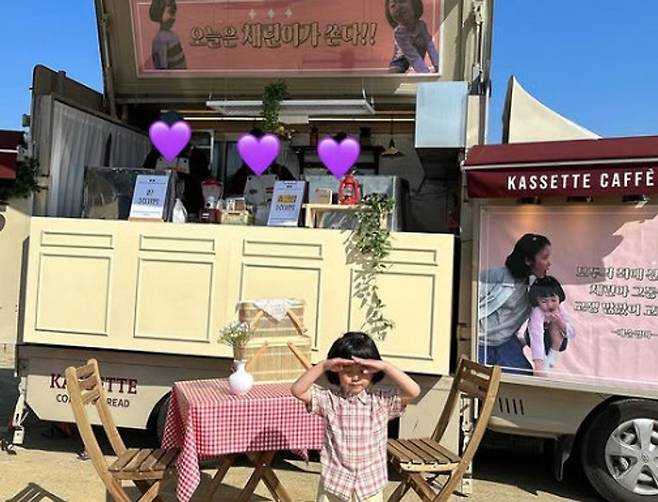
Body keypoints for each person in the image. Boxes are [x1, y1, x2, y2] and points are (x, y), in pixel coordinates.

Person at [291, 332, 420, 502]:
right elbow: (297, 390)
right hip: (335, 483)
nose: (356, 377)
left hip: (369, 485)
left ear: (373, 372)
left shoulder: (381, 401)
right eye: (348, 371)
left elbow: (414, 391)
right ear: (336, 372)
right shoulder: (329, 400)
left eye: (363, 371)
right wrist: (323, 366)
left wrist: (385, 366)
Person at [478, 233, 552, 373]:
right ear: (528, 260)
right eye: (544, 258)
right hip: (479, 342)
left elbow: (535, 327)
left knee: (523, 379)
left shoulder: (535, 287)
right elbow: (467, 302)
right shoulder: (494, 276)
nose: (549, 263)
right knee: (478, 380)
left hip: (506, 342)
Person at [524, 276, 575, 375]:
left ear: (559, 298)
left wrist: (560, 321)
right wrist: (538, 364)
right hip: (536, 339)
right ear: (537, 301)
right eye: (544, 301)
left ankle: (553, 354)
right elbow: (536, 336)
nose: (550, 305)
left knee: (556, 323)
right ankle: (544, 361)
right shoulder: (537, 312)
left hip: (557, 343)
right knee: (537, 336)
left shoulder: (560, 308)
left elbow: (571, 333)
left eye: (553, 300)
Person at [385, 0, 439, 74]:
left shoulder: (421, 26)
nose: (398, 7)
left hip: (418, 56)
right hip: (401, 60)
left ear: (415, 4)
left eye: (402, 1)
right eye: (393, 5)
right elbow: (412, 55)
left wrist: (438, 65)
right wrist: (424, 72)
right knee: (394, 71)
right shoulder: (399, 33)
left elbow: (430, 45)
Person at [150, 0, 187, 70]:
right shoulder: (160, 39)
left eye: (174, 14)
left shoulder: (173, 35)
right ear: (159, 13)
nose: (173, 18)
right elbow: (162, 68)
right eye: (170, 13)